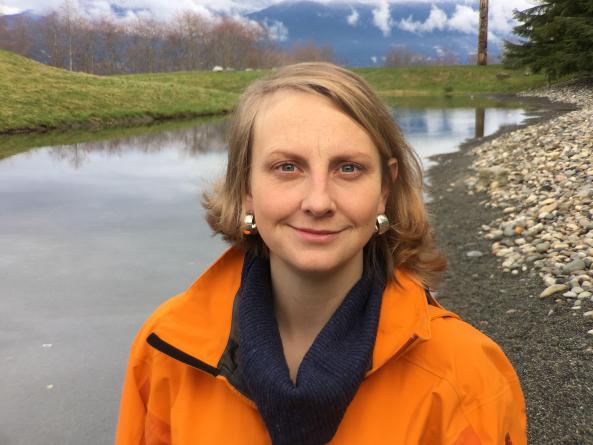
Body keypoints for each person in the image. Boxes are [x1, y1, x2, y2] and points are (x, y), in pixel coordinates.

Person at [115, 62, 527, 445]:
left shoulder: (466, 374)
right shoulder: (166, 350)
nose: (318, 202)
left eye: (348, 168)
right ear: (245, 188)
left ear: (385, 189)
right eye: (287, 167)